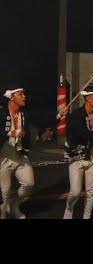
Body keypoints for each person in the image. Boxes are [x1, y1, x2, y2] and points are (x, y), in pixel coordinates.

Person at [63, 85, 93, 219]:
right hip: (76, 158)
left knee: (91, 191)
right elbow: (83, 134)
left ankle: (86, 216)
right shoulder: (76, 115)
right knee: (75, 192)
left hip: (92, 156)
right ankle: (68, 210)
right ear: (88, 99)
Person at [0, 85, 34, 219]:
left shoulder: (24, 115)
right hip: (3, 155)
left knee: (29, 183)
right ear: (11, 97)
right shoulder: (2, 114)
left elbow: (41, 123)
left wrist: (59, 115)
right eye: (20, 94)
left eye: (24, 94)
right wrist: (10, 132)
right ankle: (4, 213)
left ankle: (14, 205)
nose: (24, 96)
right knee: (5, 191)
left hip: (20, 155)